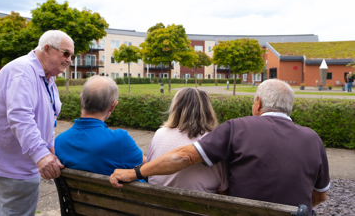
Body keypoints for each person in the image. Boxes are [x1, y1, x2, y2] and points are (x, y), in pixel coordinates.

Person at [110, 79, 330, 216]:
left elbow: (184, 157)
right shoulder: (314, 139)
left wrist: (135, 172)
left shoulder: (238, 127)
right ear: (290, 107)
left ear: (258, 103)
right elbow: (320, 197)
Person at [0, 30, 74, 216]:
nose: (70, 60)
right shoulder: (24, 71)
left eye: (72, 55)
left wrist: (50, 147)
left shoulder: (47, 77)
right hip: (13, 169)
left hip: (19, 165)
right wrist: (41, 155)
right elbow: (20, 116)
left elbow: (47, 117)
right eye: (65, 53)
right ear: (47, 49)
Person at [55, 76, 146, 178]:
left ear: (81, 99)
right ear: (113, 106)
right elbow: (145, 164)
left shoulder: (60, 141)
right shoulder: (120, 140)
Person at [146, 87, 228, 194]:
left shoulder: (159, 134)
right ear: (208, 110)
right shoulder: (215, 141)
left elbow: (149, 169)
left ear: (175, 108)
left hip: (155, 206)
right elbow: (223, 190)